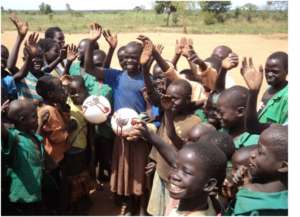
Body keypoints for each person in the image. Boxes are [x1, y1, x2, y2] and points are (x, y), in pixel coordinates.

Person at [129, 122, 227, 216]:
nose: (175, 175)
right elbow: (172, 157)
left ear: (209, 184)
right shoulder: (206, 199)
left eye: (186, 172)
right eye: (175, 167)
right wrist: (150, 135)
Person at [1, 99, 48, 215]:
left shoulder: (31, 135)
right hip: (22, 195)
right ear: (22, 120)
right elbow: (3, 133)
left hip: (35, 189)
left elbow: (37, 139)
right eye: (34, 116)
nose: (37, 118)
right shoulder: (14, 137)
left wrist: (41, 124)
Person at [232, 125, 288, 215]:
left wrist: (244, 190)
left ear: (283, 166)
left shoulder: (251, 196)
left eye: (260, 151)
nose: (252, 154)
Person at [241, 53, 288, 134]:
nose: (269, 75)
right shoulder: (270, 90)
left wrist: (253, 93)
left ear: (287, 71)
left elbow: (253, 127)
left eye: (275, 72)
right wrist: (253, 91)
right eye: (267, 71)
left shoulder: (287, 97)